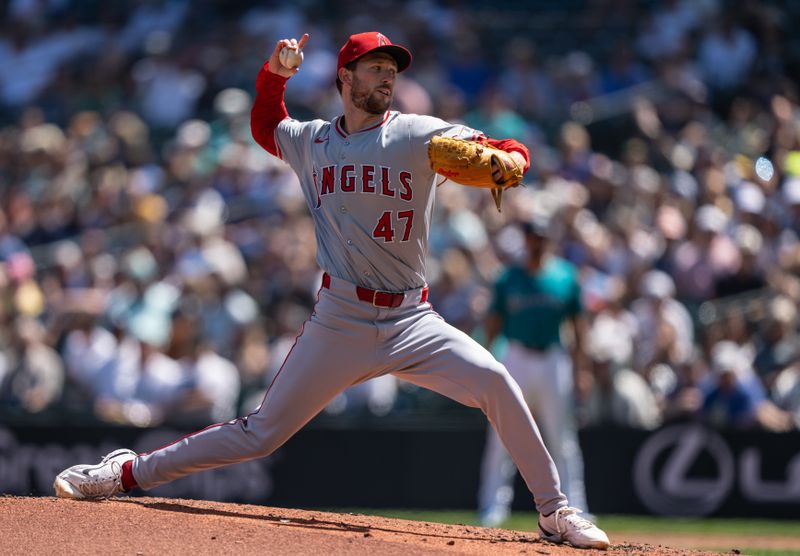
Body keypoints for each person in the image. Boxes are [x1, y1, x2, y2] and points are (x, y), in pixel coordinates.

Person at [53, 31, 609, 550]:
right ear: (346, 78)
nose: (386, 77)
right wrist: (275, 75)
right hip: (340, 318)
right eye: (374, 68)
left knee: (495, 380)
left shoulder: (418, 133)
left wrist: (513, 158)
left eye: (391, 69)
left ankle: (555, 511)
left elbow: (507, 149)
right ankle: (125, 471)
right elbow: (266, 125)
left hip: (411, 320)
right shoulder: (313, 141)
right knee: (261, 434)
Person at [477, 218, 592, 527]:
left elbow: (579, 327)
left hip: (554, 357)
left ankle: (576, 505)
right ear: (526, 239)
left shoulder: (565, 276)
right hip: (516, 356)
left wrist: (582, 369)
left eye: (542, 237)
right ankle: (492, 507)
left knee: (562, 437)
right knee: (501, 433)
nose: (537, 242)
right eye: (533, 237)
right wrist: (485, 363)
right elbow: (492, 324)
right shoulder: (508, 277)